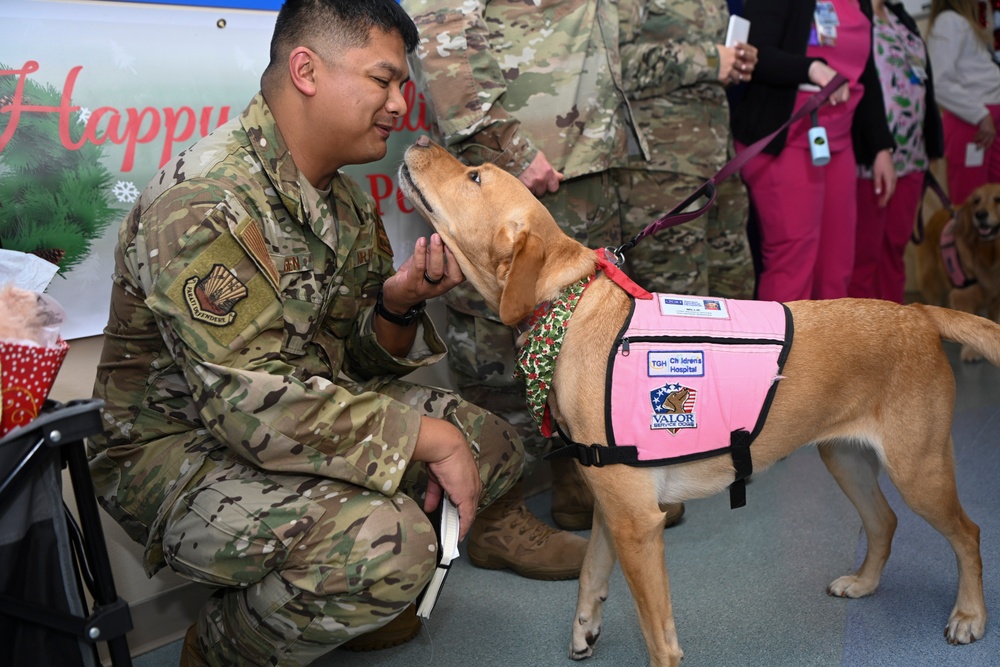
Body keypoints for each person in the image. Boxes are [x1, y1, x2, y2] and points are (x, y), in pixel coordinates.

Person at [87, 2, 524, 665]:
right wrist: (424, 437)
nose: (400, 105)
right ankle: (222, 646)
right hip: (174, 454)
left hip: (289, 418)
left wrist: (400, 303)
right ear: (306, 70)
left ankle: (337, 603)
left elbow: (360, 362)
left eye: (404, 86)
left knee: (491, 440)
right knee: (395, 538)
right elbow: (252, 406)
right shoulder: (206, 200)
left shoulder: (343, 201)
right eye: (384, 80)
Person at [400, 0, 683, 572]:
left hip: (582, 164)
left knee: (576, 346)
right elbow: (437, 19)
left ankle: (580, 480)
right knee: (499, 356)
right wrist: (507, 143)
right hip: (513, 170)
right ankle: (495, 519)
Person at [731, 0, 897, 302]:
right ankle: (787, 349)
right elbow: (754, 54)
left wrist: (881, 146)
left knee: (836, 266)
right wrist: (810, 68)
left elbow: (866, 71)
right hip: (784, 139)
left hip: (838, 142)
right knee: (793, 263)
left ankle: (830, 349)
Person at [617, 0, 758, 300]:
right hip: (661, 171)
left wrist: (736, 59)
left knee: (735, 296)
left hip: (720, 164)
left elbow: (713, 59)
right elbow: (613, 62)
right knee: (677, 306)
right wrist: (708, 59)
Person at [849, 0, 945, 303]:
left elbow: (924, 83)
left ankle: (892, 334)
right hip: (871, 157)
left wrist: (932, 142)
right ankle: (860, 342)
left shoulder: (900, 16)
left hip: (912, 156)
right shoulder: (853, 13)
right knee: (864, 255)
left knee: (895, 249)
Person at [927, 0, 1000, 207]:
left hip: (987, 121)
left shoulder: (969, 24)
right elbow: (939, 83)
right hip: (972, 123)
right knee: (970, 200)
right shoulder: (948, 22)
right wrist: (980, 115)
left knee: (995, 196)